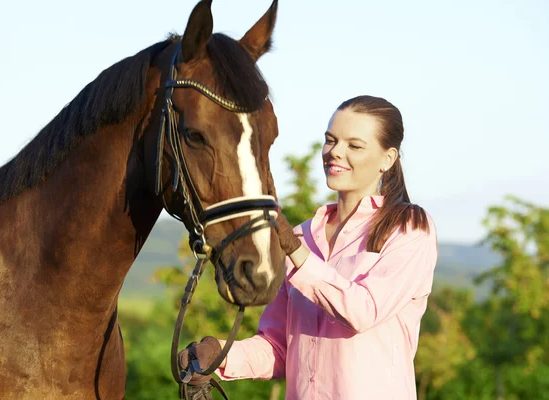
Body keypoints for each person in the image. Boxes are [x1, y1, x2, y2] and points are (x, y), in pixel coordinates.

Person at [180, 95, 438, 400]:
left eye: (354, 146)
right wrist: (218, 356)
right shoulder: (303, 236)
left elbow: (363, 310)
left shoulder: (409, 228)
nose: (335, 152)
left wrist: (295, 252)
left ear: (388, 158)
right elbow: (279, 347)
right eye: (331, 140)